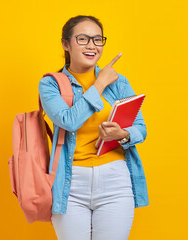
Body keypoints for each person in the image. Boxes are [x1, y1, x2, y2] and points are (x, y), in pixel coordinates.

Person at [38, 15, 149, 240]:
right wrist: (99, 83)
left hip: (115, 180)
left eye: (98, 40)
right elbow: (68, 121)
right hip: (70, 183)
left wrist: (123, 135)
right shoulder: (51, 84)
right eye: (83, 39)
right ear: (66, 44)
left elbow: (140, 128)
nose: (92, 46)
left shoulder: (118, 82)